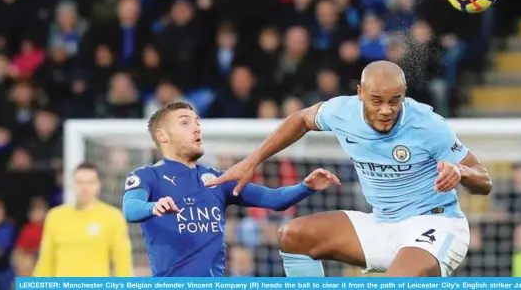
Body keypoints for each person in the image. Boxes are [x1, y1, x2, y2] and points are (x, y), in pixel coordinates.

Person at [208, 60, 493, 277]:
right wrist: (252, 161)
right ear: (360, 93)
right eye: (377, 100)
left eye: (395, 101)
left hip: (437, 225)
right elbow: (301, 120)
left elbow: (484, 180)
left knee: (399, 281)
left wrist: (462, 173)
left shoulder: (428, 125)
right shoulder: (341, 112)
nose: (386, 110)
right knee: (293, 236)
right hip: (382, 225)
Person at [121, 102, 340, 277]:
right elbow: (131, 209)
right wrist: (154, 207)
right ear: (162, 136)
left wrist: (305, 186)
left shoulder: (217, 179)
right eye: (185, 123)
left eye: (197, 121)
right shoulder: (147, 176)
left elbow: (273, 199)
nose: (197, 127)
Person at [33, 163, 133, 277]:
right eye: (80, 182)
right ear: (72, 184)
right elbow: (46, 260)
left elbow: (122, 262)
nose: (84, 188)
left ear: (98, 185)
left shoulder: (113, 217)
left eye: (90, 182)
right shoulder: (55, 217)